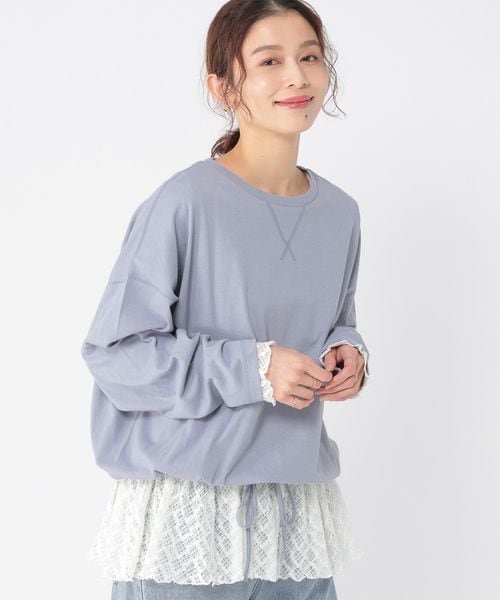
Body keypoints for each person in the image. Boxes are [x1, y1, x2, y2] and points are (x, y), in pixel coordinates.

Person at [81, 1, 371, 598]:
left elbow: (336, 317)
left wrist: (348, 350)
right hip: (191, 521)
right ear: (222, 86)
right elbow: (116, 355)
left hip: (295, 519)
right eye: (269, 61)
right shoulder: (184, 203)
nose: (296, 76)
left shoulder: (340, 213)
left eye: (310, 56)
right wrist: (255, 367)